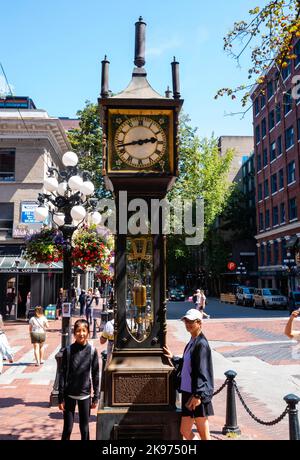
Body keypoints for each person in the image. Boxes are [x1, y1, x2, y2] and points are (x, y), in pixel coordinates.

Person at [164, 308, 214, 441]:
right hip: (188, 392)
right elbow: (187, 364)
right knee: (185, 431)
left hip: (196, 395)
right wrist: (173, 357)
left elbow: (202, 371)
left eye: (191, 322)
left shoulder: (201, 344)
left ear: (199, 323)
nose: (188, 324)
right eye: (186, 321)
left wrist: (198, 395)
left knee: (204, 435)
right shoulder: (192, 341)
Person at [58, 319, 99, 440]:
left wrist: (96, 397)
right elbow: (62, 374)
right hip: (69, 394)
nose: (81, 334)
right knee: (68, 429)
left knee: (84, 429)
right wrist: (61, 397)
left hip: (85, 395)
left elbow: (95, 374)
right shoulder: (68, 351)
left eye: (84, 330)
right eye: (78, 331)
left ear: (88, 332)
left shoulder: (92, 351)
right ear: (74, 333)